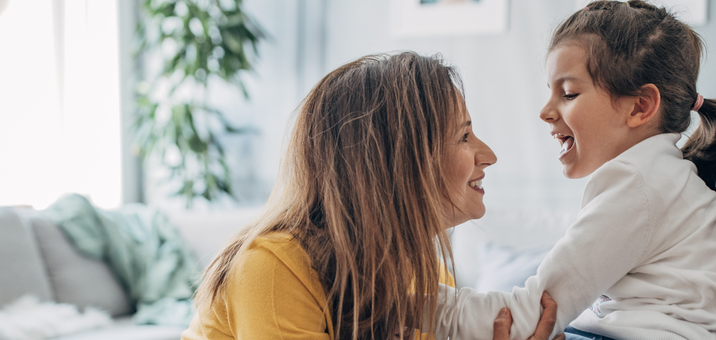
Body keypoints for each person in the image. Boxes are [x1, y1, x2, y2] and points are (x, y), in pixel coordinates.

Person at [427, 0, 716, 340]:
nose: (545, 111)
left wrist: (401, 304)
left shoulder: (639, 184)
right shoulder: (660, 179)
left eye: (569, 93)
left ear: (640, 106)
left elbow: (533, 313)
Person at [180, 52, 558, 340]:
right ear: (400, 162)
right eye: (463, 136)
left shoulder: (423, 275)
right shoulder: (274, 268)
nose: (488, 155)